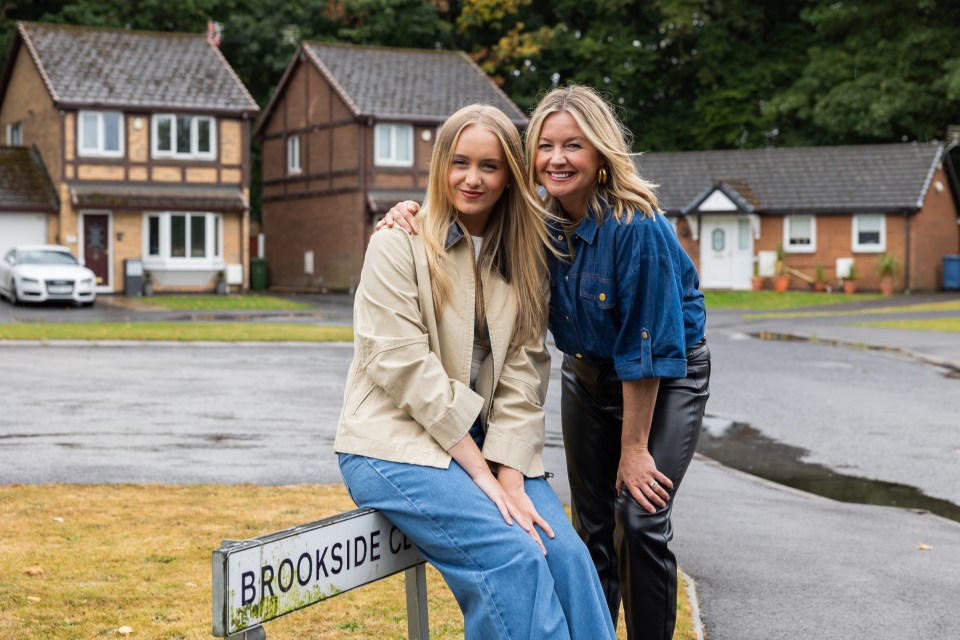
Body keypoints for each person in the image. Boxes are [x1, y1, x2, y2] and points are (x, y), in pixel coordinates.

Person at [381, 85, 710, 640]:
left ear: (600, 153)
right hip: (586, 375)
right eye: (546, 147)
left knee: (639, 517)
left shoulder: (639, 227)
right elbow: (468, 190)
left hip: (664, 378)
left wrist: (633, 451)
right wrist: (409, 209)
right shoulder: (537, 219)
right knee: (590, 530)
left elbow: (645, 350)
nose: (558, 159)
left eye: (574, 146)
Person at [335, 104, 616, 640]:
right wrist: (484, 475)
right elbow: (403, 365)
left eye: (489, 165)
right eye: (459, 162)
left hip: (485, 447)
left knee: (568, 558)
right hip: (394, 446)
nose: (472, 178)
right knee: (513, 559)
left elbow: (525, 369)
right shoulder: (398, 241)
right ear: (441, 164)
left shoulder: (526, 253)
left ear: (511, 173)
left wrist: (509, 472)